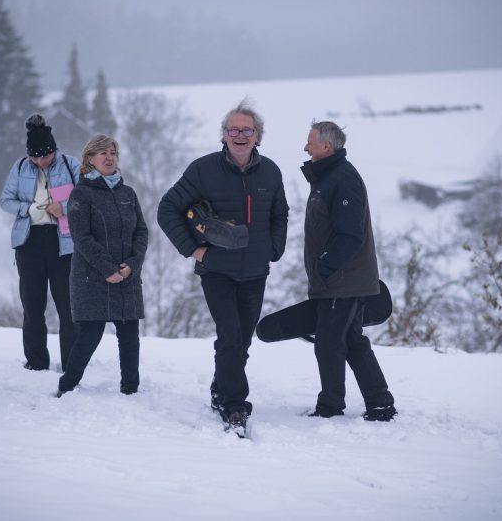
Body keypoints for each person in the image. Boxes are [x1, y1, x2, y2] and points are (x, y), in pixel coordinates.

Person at [157, 101, 288, 429]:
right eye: (234, 130)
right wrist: (193, 250)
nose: (240, 135)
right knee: (229, 334)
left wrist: (274, 249)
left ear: (257, 136)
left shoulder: (271, 171)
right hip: (216, 269)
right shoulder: (203, 169)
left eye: (246, 130)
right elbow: (167, 209)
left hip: (256, 270)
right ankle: (234, 405)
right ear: (224, 135)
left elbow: (280, 213)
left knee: (241, 340)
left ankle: (220, 389)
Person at [301, 121, 396, 422]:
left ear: (326, 146)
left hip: (342, 280)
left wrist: (324, 269)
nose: (306, 147)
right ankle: (380, 402)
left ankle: (330, 406)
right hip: (343, 279)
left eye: (310, 142)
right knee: (352, 341)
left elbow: (350, 235)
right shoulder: (330, 176)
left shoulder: (342, 179)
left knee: (329, 342)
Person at [57, 135, 148, 396]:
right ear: (89, 160)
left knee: (130, 335)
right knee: (90, 335)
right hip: (92, 277)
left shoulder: (127, 193)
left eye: (113, 153)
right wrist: (108, 269)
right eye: (103, 153)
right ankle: (67, 386)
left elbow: (141, 232)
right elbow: (81, 237)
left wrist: (132, 265)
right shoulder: (80, 194)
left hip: (127, 275)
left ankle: (131, 390)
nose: (109, 158)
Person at [0, 114, 79, 371]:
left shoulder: (71, 165)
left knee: (68, 307)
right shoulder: (20, 167)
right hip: (29, 242)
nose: (40, 162)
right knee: (32, 306)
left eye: (45, 156)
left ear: (54, 150)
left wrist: (63, 207)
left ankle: (71, 362)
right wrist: (29, 209)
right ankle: (36, 362)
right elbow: (6, 200)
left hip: (63, 244)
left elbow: (86, 199)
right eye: (35, 157)